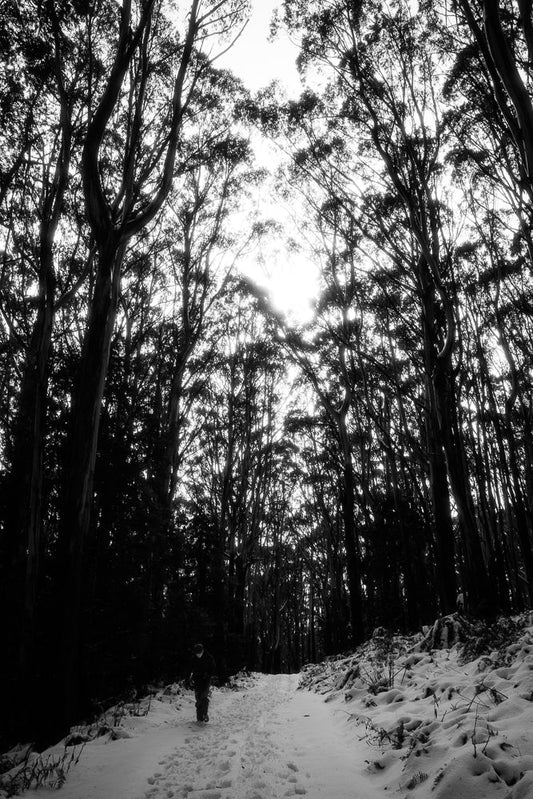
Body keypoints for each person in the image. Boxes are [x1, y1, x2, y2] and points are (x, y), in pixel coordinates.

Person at [189, 643, 216, 723]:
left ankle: (204, 714)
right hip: (197, 680)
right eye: (197, 653)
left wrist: (207, 674)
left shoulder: (209, 657)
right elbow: (189, 668)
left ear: (203, 651)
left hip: (206, 680)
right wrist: (189, 678)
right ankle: (199, 718)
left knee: (203, 697)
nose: (198, 655)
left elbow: (213, 667)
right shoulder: (194, 658)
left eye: (199, 653)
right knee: (198, 698)